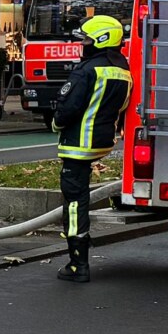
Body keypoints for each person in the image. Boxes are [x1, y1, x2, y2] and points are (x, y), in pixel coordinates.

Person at [51, 15, 132, 283]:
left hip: (78, 145)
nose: (82, 44)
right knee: (80, 200)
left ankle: (78, 264)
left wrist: (57, 121)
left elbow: (69, 107)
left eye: (86, 39)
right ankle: (78, 259)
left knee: (74, 205)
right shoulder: (123, 69)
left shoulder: (86, 70)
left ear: (100, 40)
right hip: (103, 141)